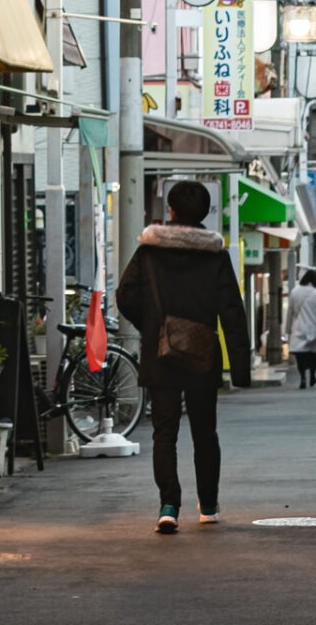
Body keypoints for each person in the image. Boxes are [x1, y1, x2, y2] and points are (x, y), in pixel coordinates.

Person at [116, 180, 251, 535]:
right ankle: (208, 504)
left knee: (165, 432)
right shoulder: (215, 254)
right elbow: (232, 312)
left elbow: (126, 294)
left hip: (161, 355)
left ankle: (169, 505)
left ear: (171, 211)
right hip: (203, 353)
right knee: (205, 431)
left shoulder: (150, 250)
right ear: (204, 213)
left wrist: (153, 327)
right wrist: (240, 369)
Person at [285, 269, 316, 388]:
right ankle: (312, 376)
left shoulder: (294, 292)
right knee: (312, 355)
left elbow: (290, 312)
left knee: (300, 357)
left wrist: (287, 329)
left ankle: (303, 378)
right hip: (313, 329)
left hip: (298, 328)